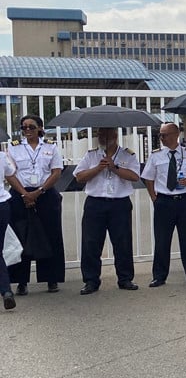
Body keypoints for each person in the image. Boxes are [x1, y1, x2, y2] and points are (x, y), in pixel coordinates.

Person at [5, 114, 66, 295]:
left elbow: (56, 172)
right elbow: (10, 173)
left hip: (45, 194)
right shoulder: (14, 148)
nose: (27, 131)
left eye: (31, 127)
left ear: (40, 128)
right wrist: (25, 194)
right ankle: (20, 281)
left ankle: (51, 278)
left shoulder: (50, 147)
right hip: (20, 194)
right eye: (24, 128)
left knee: (50, 234)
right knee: (21, 235)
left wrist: (39, 191)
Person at [75, 128, 141, 294]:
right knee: (91, 243)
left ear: (115, 136)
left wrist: (114, 168)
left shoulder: (128, 155)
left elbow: (135, 176)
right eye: (100, 135)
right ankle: (91, 280)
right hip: (95, 203)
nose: (102, 138)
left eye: (106, 135)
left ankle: (125, 278)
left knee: (122, 242)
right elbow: (79, 176)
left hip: (119, 203)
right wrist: (98, 168)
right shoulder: (91, 155)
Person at [141, 122, 186, 287]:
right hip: (164, 201)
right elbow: (148, 177)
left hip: (184, 200)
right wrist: (154, 198)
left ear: (176, 135)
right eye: (160, 135)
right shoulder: (156, 155)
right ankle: (159, 276)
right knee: (162, 240)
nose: (161, 138)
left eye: (165, 135)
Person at [0, 148, 17, 309]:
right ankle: (6, 291)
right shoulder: (1, 156)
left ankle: (6, 291)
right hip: (2, 205)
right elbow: (12, 172)